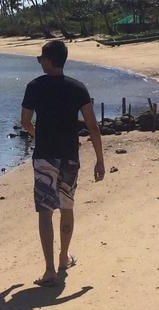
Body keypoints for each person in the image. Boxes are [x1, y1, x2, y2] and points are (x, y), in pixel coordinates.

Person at [20, 39, 105, 286]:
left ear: (48, 60)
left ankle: (49, 270)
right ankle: (63, 258)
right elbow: (92, 125)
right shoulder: (77, 88)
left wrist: (39, 134)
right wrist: (100, 159)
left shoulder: (34, 87)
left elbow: (25, 122)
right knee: (67, 207)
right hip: (70, 156)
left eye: (40, 59)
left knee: (45, 211)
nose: (39, 63)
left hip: (45, 155)